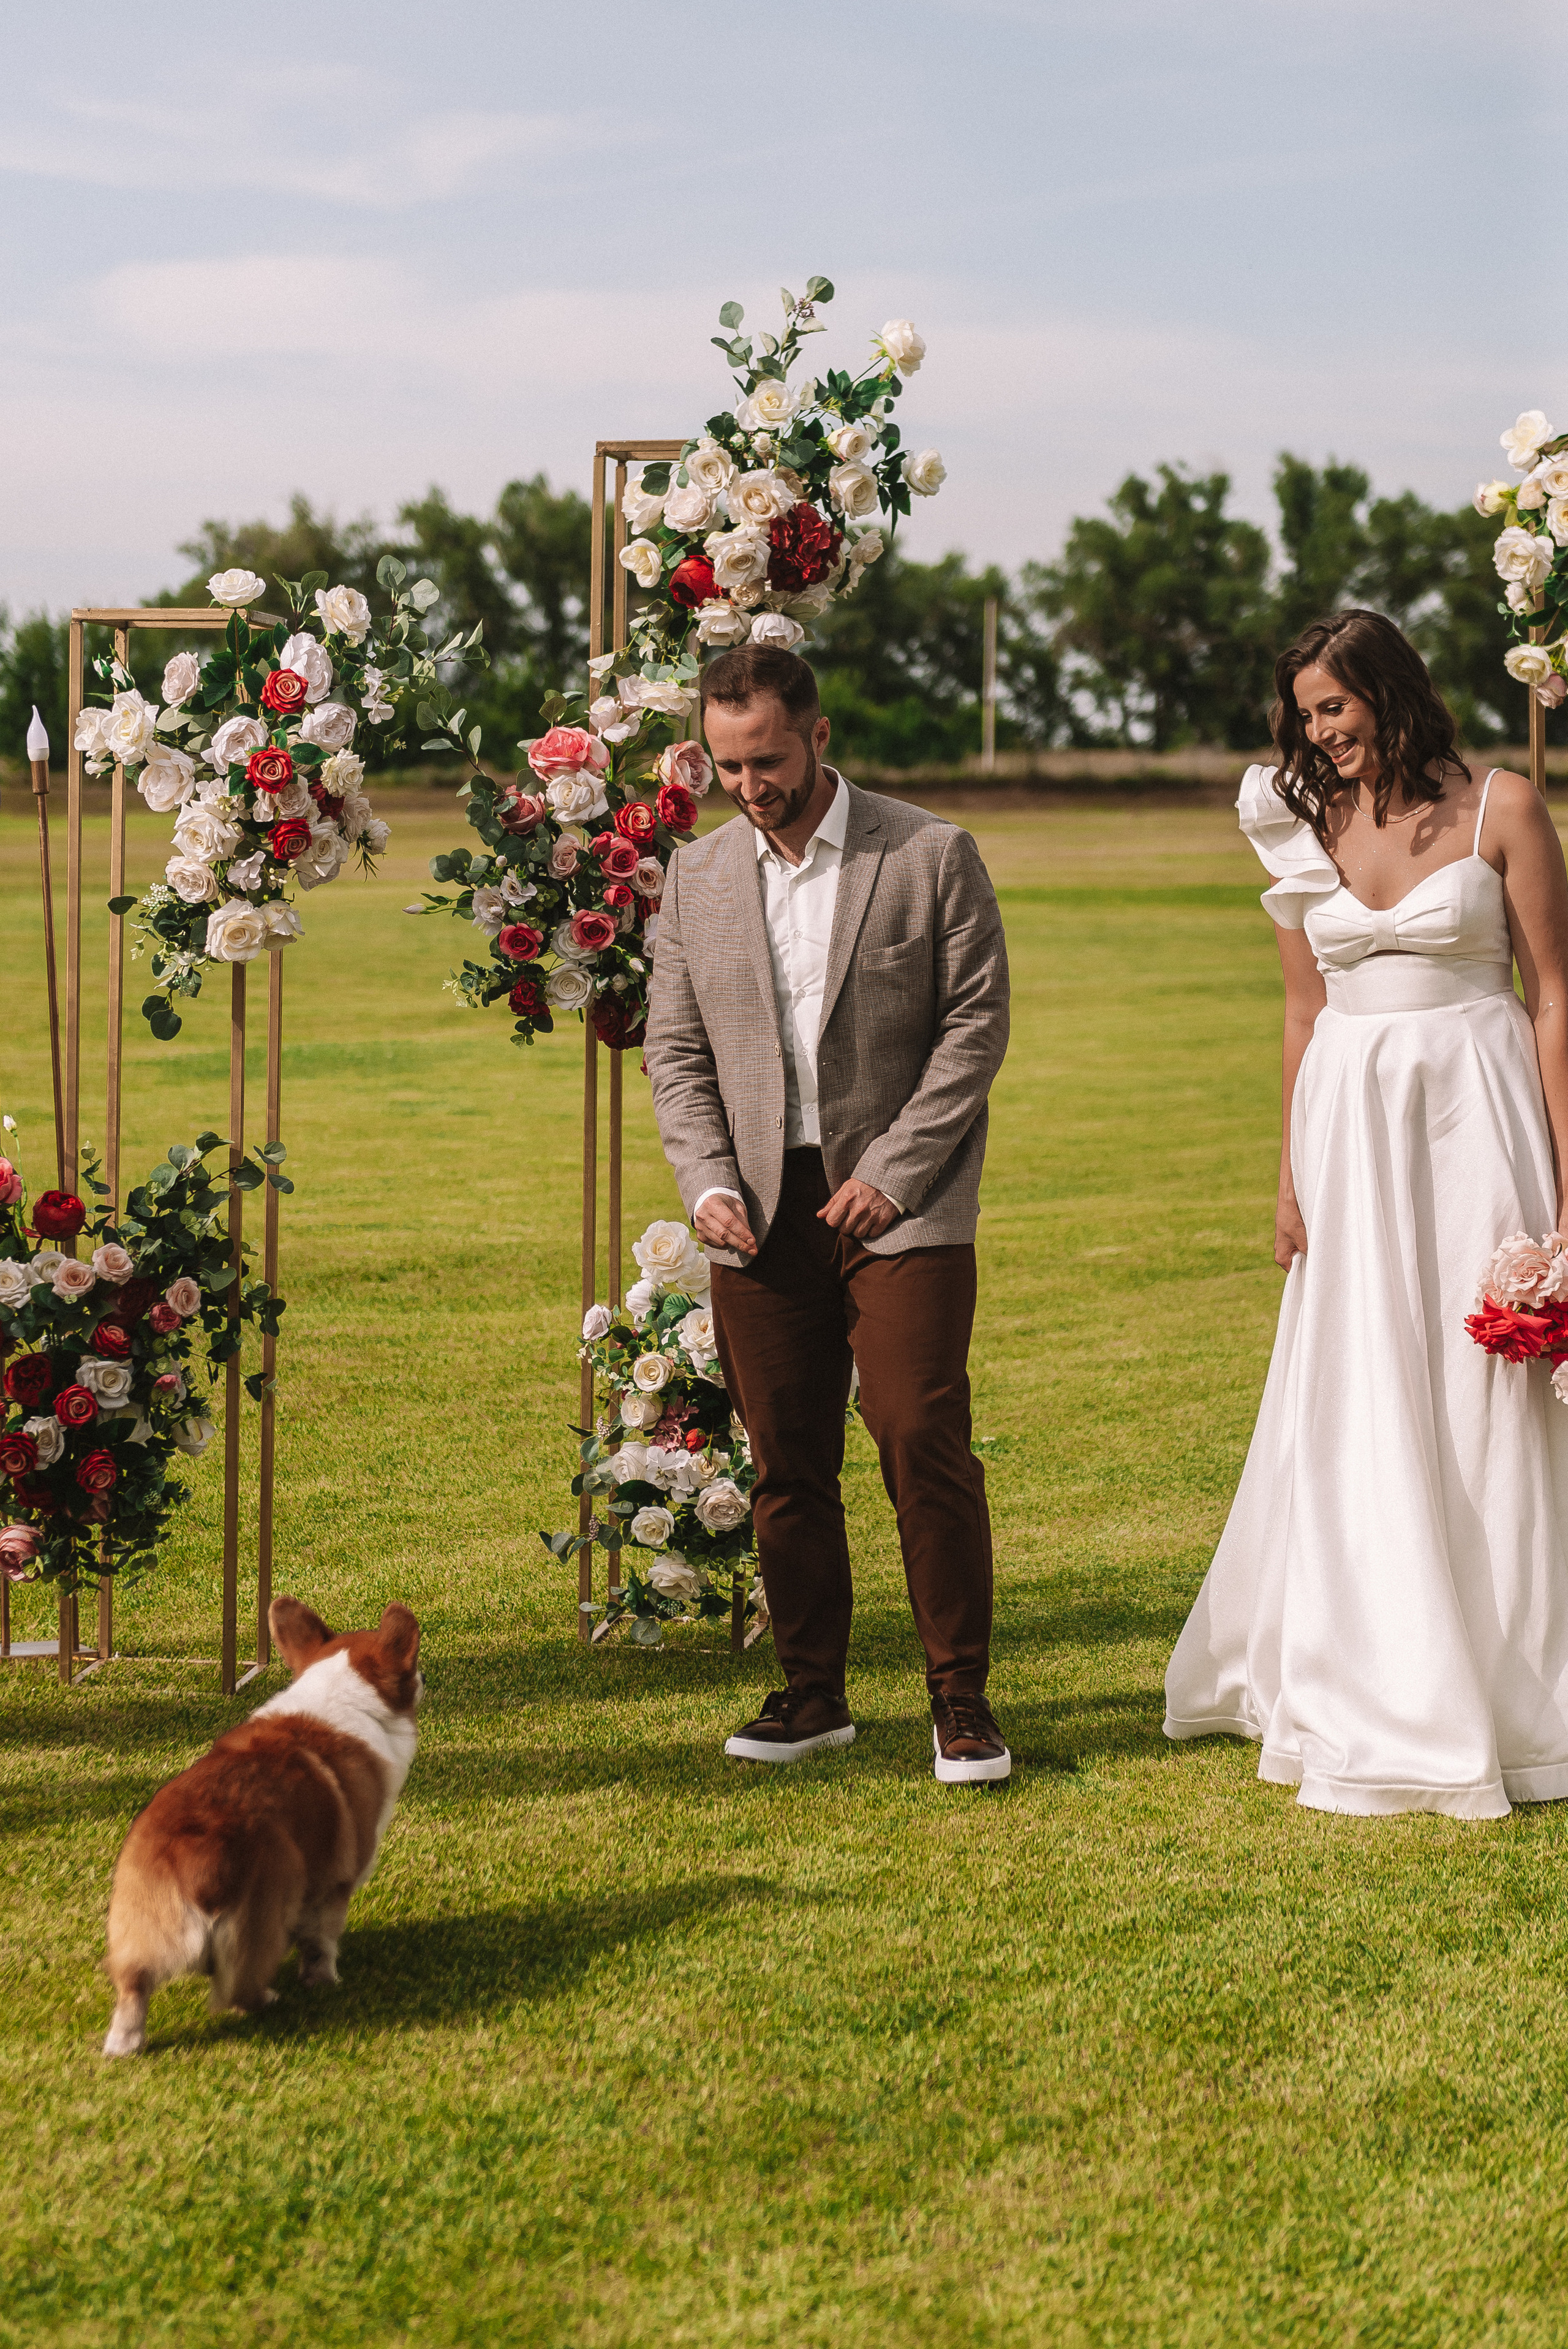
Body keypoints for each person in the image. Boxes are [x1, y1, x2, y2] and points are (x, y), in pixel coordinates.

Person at [1166, 607, 1568, 1818]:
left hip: (1474, 1116)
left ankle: (1509, 1687)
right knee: (1359, 1381)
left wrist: (1562, 1182)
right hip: (1346, 1131)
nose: (1318, 733)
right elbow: (1302, 1012)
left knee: (1484, 1385)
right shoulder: (1295, 820)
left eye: (1332, 707)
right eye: (1303, 715)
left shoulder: (1499, 808)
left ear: (1391, 691)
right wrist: (1287, 1176)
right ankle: (1362, 1659)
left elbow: (1552, 996)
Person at [645, 645, 1012, 1782]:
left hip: (902, 1202)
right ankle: (813, 1694)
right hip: (757, 1209)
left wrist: (896, 1170)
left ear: (820, 736)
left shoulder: (932, 853)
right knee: (785, 1456)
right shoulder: (695, 878)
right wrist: (706, 1180)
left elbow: (974, 1028)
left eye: (766, 760)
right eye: (726, 764)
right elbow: (677, 1050)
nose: (748, 784)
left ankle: (960, 1698)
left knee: (916, 1434)